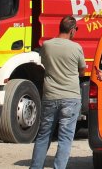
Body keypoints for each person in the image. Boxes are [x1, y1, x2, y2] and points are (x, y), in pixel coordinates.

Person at [29, 15, 84, 169]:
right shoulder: (76, 47)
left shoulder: (47, 45)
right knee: (65, 138)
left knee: (44, 135)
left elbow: (44, 64)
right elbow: (82, 70)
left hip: (50, 96)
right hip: (71, 97)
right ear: (72, 30)